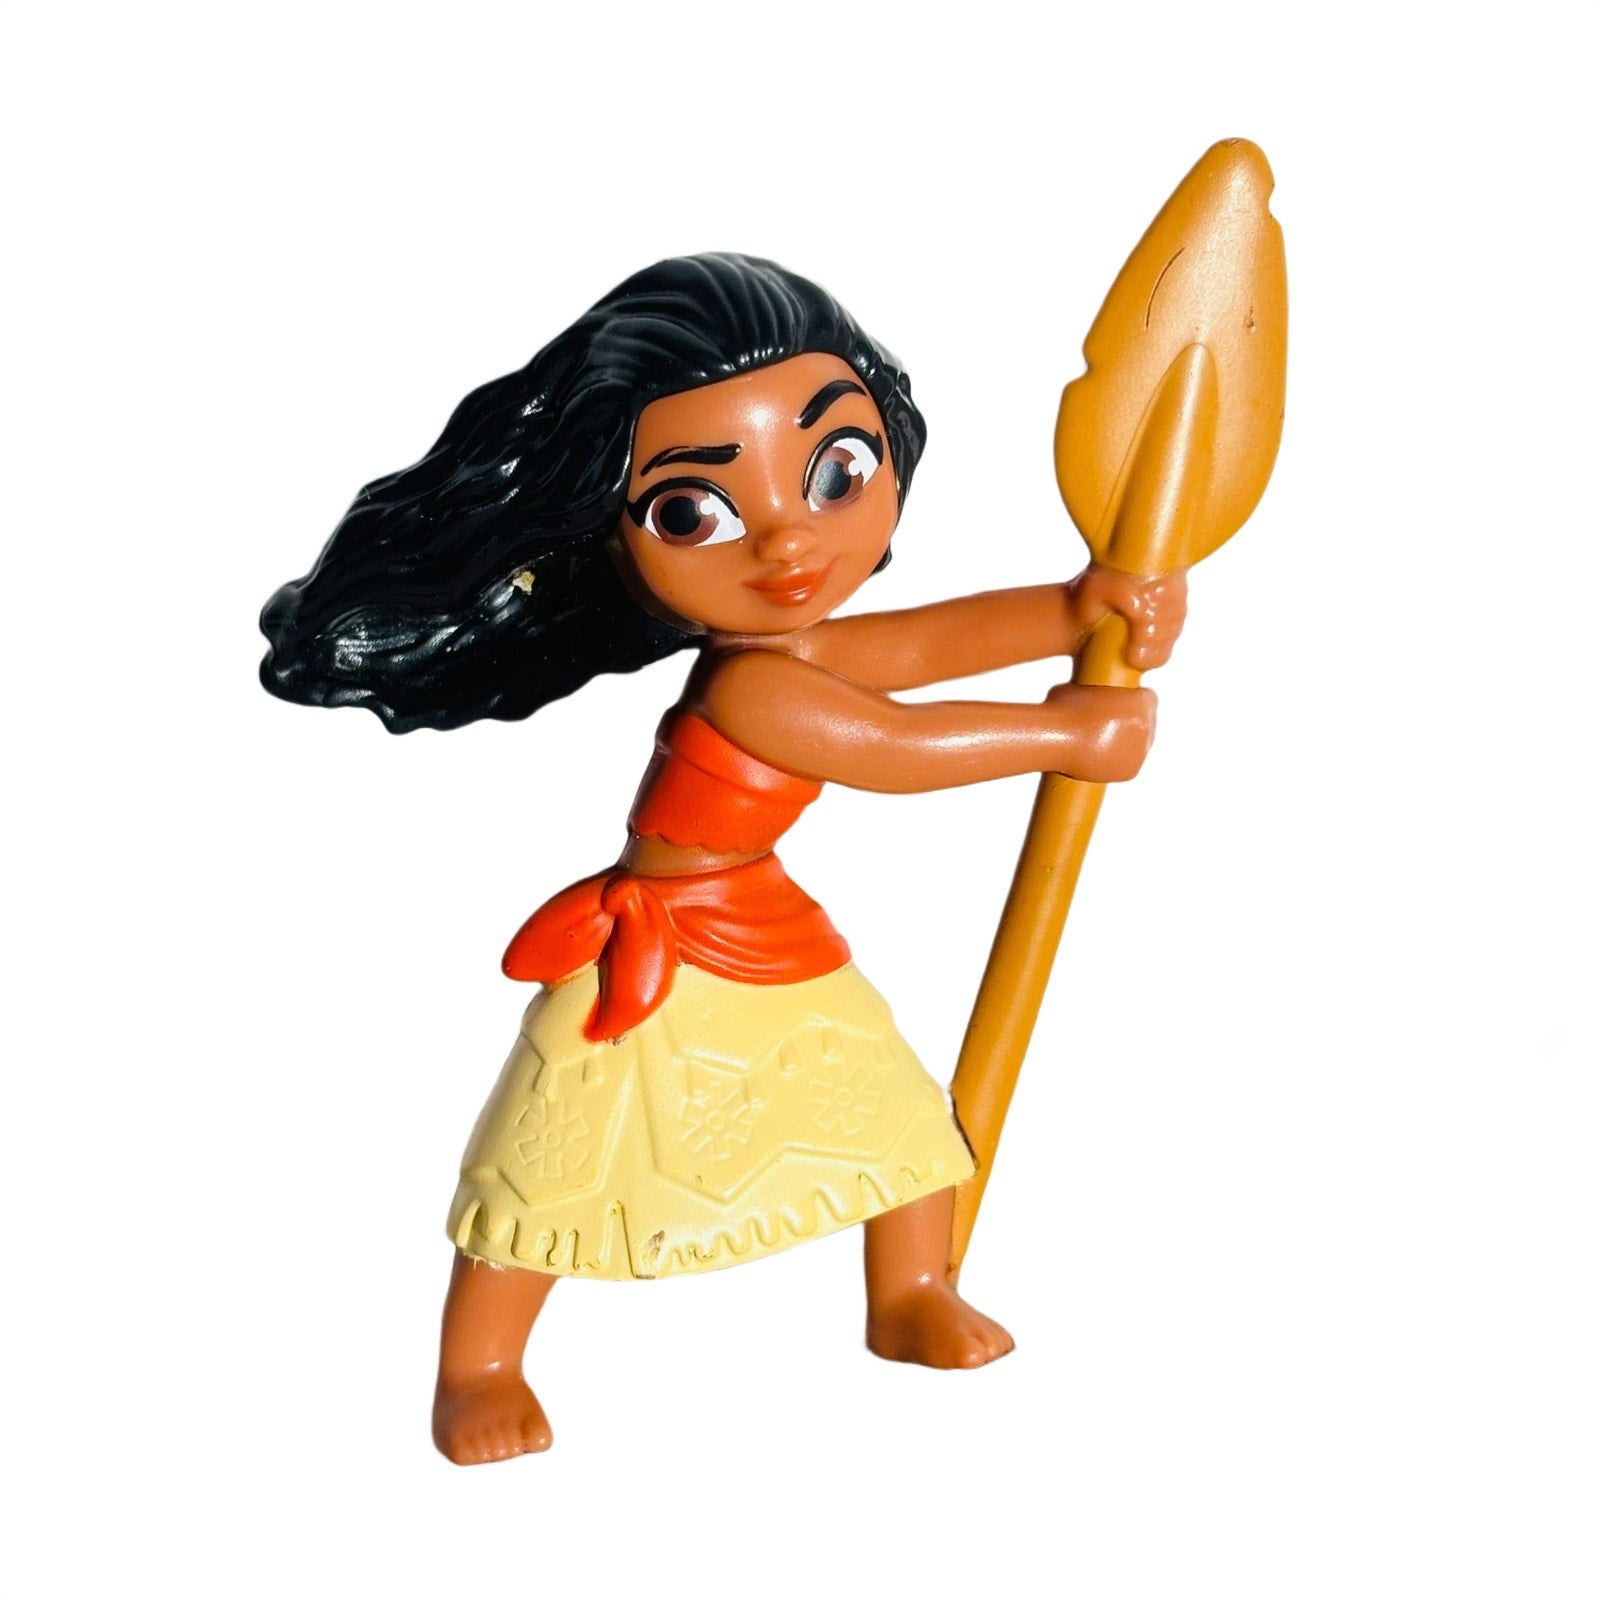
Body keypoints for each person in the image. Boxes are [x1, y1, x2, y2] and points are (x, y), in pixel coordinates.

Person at [260, 253, 1185, 1464]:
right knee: (553, 1163)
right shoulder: (755, 690)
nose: (789, 539)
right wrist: (1063, 735)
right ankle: (477, 1365)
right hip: (660, 938)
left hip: (760, 919)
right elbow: (892, 748)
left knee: (897, 1115)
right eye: (693, 512)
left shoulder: (791, 648)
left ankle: (909, 1293)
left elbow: (919, 647)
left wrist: (1075, 609)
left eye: (836, 471)